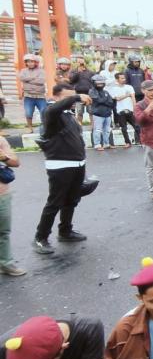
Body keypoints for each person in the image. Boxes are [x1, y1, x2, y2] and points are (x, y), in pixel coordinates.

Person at [33, 84, 91, 255]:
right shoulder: (51, 113)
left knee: (72, 200)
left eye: (72, 97)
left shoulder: (68, 114)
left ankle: (65, 231)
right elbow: (52, 111)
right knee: (54, 203)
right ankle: (40, 238)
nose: (71, 100)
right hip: (60, 166)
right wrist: (76, 98)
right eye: (67, 97)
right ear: (56, 97)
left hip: (77, 164)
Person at [0, 135, 24, 275]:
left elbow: (15, 162)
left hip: (2, 195)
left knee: (3, 232)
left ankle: (6, 263)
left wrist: (4, 158)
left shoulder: (1, 140)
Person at [18, 53, 47, 133]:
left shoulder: (41, 71)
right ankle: (30, 127)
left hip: (40, 96)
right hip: (28, 96)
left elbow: (41, 81)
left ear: (35, 62)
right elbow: (21, 78)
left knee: (44, 112)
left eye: (32, 61)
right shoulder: (23, 71)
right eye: (28, 62)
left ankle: (45, 127)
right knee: (28, 113)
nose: (30, 63)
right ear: (26, 63)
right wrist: (34, 78)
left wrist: (28, 80)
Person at [109, 72, 138, 147]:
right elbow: (117, 98)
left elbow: (133, 97)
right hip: (120, 111)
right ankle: (127, 142)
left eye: (124, 78)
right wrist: (127, 95)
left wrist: (135, 108)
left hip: (130, 110)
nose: (124, 79)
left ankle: (142, 140)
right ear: (117, 79)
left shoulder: (129, 87)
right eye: (121, 78)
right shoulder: (114, 89)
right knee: (124, 128)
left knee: (137, 126)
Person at [88, 74, 115, 151]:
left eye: (101, 83)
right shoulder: (92, 91)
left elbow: (111, 102)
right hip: (98, 114)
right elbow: (97, 100)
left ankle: (106, 144)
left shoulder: (106, 91)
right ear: (94, 83)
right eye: (98, 83)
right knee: (97, 130)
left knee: (107, 130)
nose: (100, 84)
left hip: (107, 114)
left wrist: (104, 100)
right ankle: (97, 144)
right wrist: (105, 100)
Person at [68, 55, 95, 123]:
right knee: (79, 113)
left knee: (91, 112)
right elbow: (71, 81)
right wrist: (78, 72)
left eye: (82, 62)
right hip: (78, 94)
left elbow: (94, 82)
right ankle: (79, 130)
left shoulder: (90, 72)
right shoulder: (73, 71)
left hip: (89, 94)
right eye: (79, 62)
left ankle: (93, 130)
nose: (81, 64)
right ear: (76, 63)